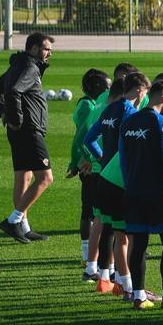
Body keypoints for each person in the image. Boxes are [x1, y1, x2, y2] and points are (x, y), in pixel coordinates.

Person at [120, 78, 163, 310]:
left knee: (138, 242)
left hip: (132, 191)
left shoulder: (128, 122)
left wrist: (130, 182)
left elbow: (122, 159)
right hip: (157, 192)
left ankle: (139, 297)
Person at [85, 71, 150, 300]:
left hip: (104, 177)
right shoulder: (131, 113)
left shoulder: (109, 109)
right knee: (126, 235)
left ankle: (105, 276)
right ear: (140, 91)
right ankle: (128, 285)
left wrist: (102, 158)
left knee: (106, 227)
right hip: (122, 179)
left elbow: (88, 139)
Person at [0, 32, 56, 243]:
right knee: (45, 177)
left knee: (25, 176)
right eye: (46, 49)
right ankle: (13, 220)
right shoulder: (30, 67)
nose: (50, 53)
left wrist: (3, 111)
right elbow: (13, 91)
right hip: (29, 130)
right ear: (33, 49)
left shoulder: (20, 64)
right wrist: (16, 118)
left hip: (20, 131)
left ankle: (24, 227)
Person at [80, 64, 137, 289]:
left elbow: (85, 137)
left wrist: (98, 158)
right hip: (116, 175)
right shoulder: (125, 111)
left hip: (99, 171)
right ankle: (123, 280)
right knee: (118, 228)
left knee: (100, 222)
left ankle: (96, 268)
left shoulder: (101, 108)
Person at [69, 68, 109, 271]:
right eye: (105, 85)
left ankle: (93, 255)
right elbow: (81, 136)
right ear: (95, 87)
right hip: (90, 165)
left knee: (95, 212)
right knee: (90, 212)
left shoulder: (93, 104)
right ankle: (87, 255)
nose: (108, 88)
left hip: (91, 163)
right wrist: (79, 161)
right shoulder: (87, 105)